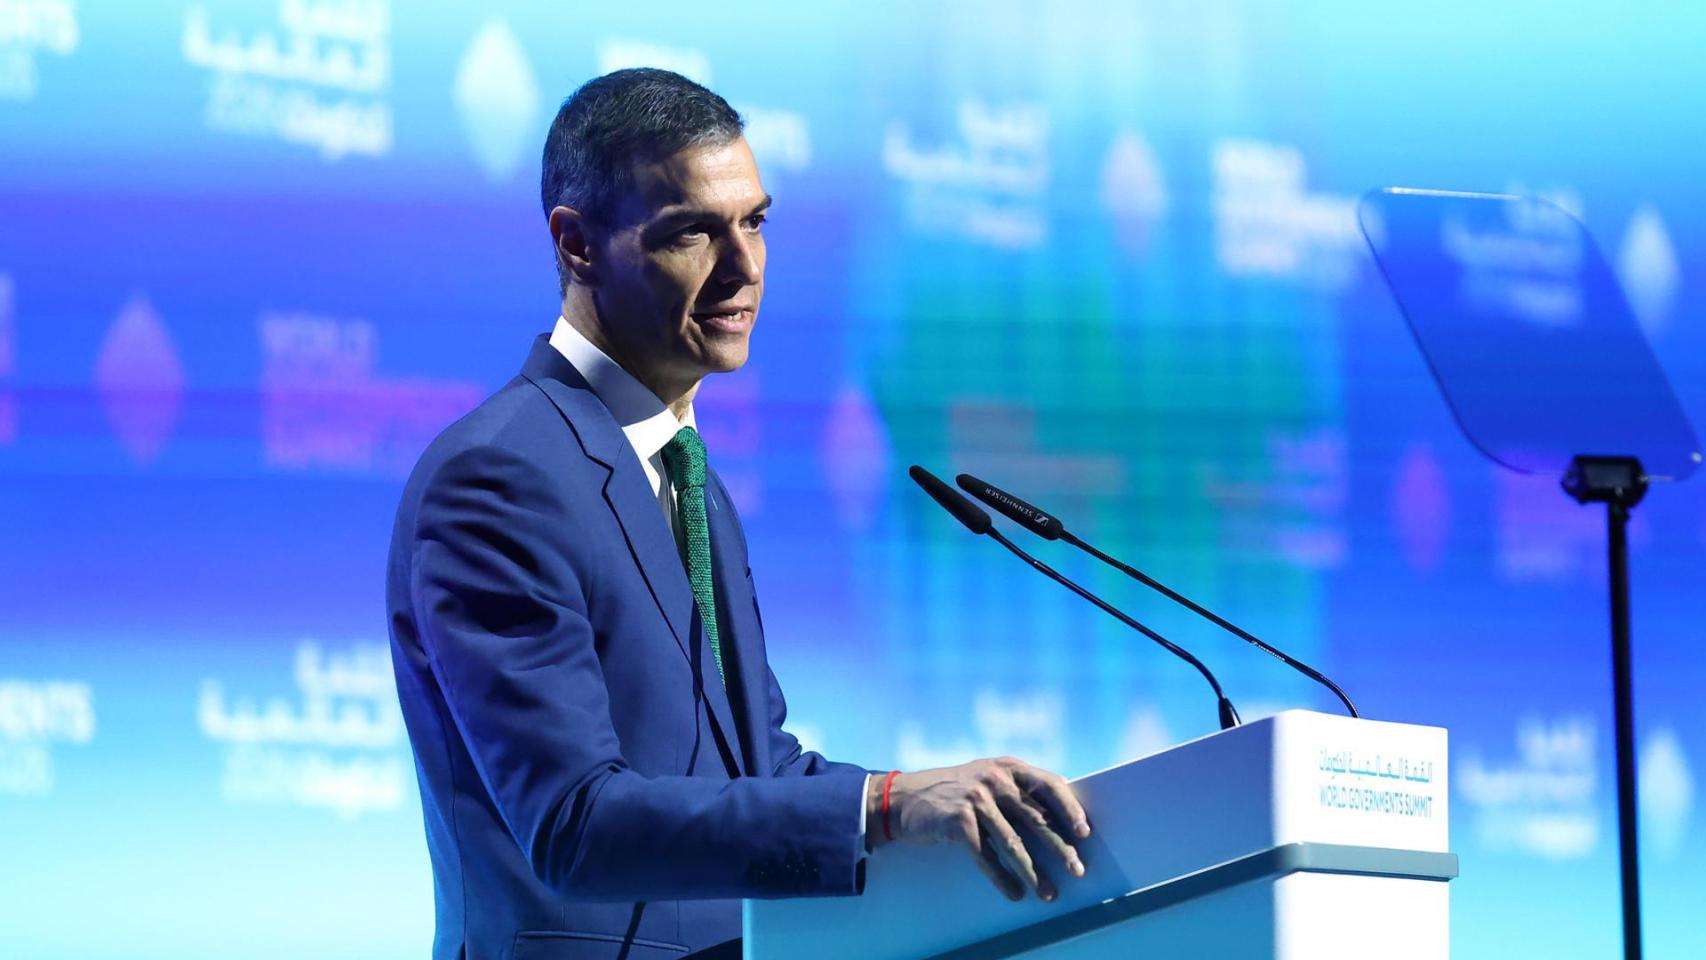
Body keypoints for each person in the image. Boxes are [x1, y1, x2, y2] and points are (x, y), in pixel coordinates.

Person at [386, 68, 1089, 960]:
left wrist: (931, 801)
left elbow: (756, 768)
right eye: (693, 233)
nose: (745, 266)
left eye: (754, 222)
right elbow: (573, 820)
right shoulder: (500, 475)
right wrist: (882, 809)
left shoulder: (690, 476)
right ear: (577, 245)